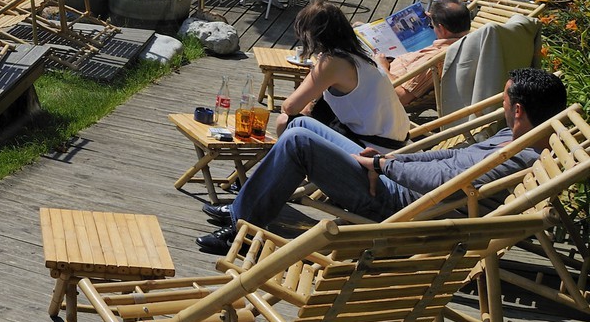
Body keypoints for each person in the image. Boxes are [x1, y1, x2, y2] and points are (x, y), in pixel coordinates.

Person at [198, 67, 567, 252]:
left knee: (298, 142)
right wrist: (392, 158)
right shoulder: (523, 133)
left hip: (404, 206)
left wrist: (382, 166)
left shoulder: (520, 156)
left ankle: (240, 229)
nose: (501, 106)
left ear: (517, 110)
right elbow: (451, 156)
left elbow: (444, 180)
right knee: (305, 123)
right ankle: (242, 212)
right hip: (399, 181)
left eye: (504, 101)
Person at [276, 0, 410, 150]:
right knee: (313, 113)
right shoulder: (361, 53)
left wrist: (316, 73)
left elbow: (289, 107)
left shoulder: (333, 62)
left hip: (371, 148)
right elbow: (309, 108)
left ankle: (288, 170)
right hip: (394, 142)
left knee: (284, 120)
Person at [375, 0, 472, 108]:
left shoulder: (433, 61)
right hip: (395, 60)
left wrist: (382, 67)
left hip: (379, 85)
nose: (431, 26)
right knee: (358, 26)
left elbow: (401, 97)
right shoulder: (469, 41)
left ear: (442, 29)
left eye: (432, 24)